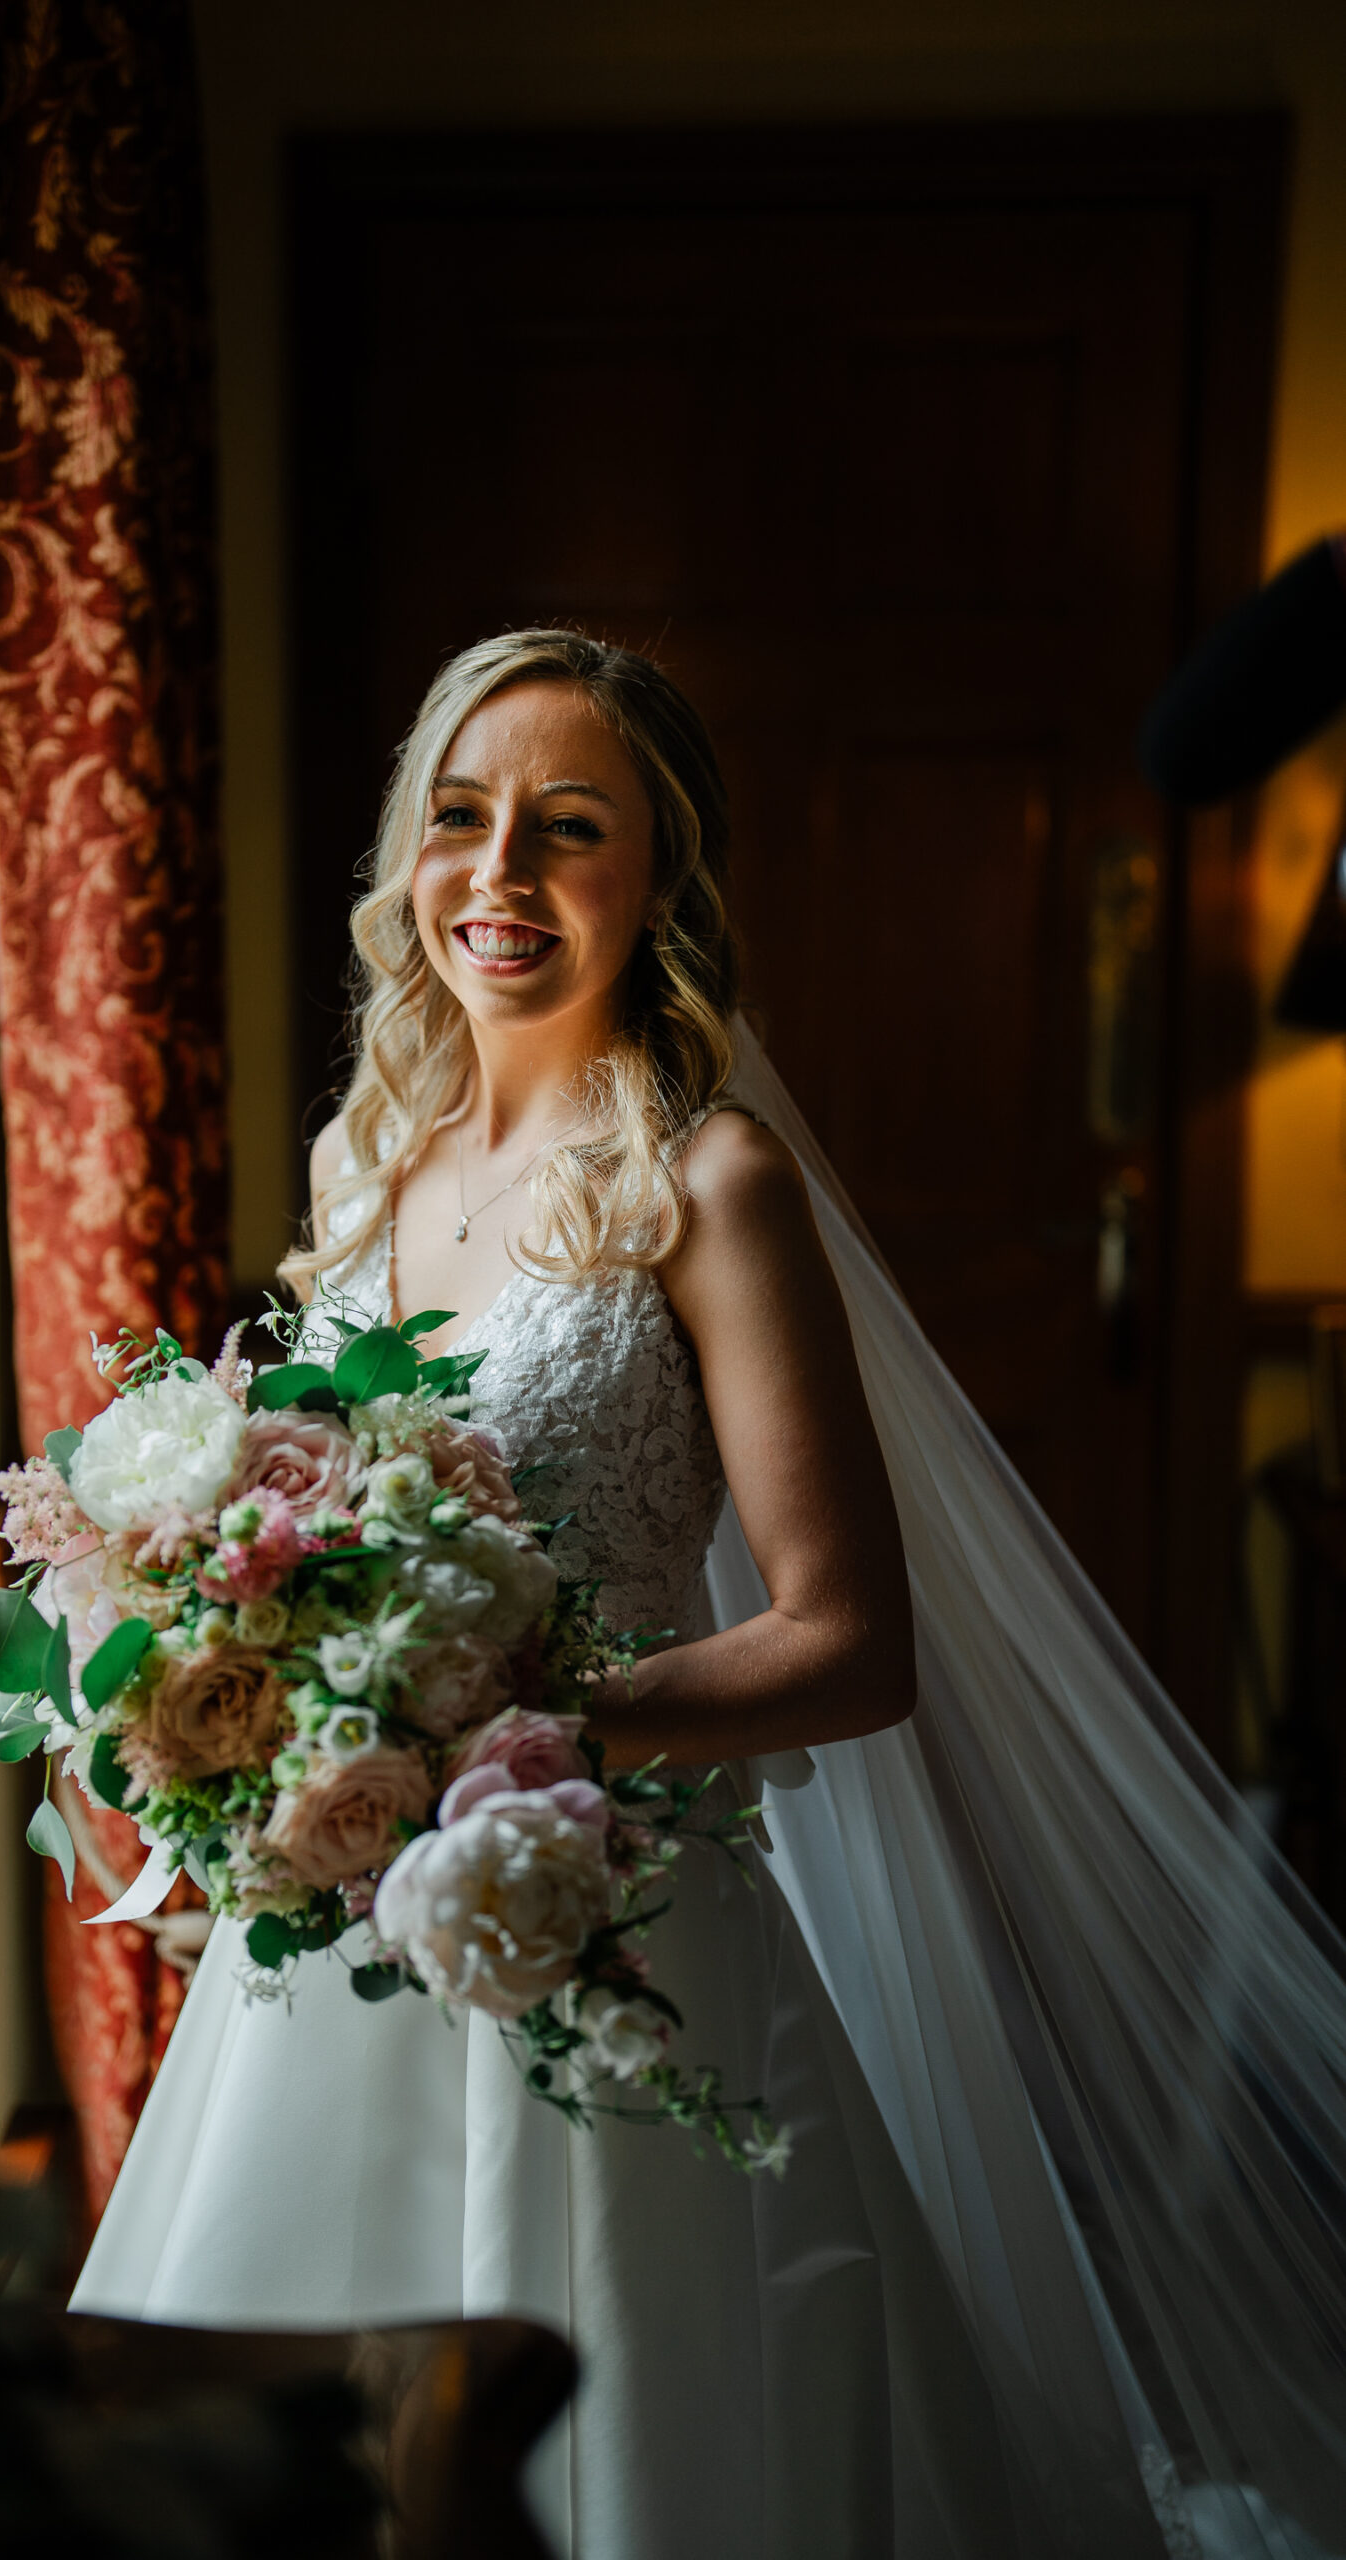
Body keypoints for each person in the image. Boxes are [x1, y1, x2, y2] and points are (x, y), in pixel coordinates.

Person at [74, 632, 1346, 2560]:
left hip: (623, 1928)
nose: (499, 875)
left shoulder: (708, 1180)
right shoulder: (370, 1162)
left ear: (660, 878)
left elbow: (851, 1646)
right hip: (351, 1936)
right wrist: (253, 1739)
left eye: (568, 831)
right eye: (462, 819)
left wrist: (513, 1743)